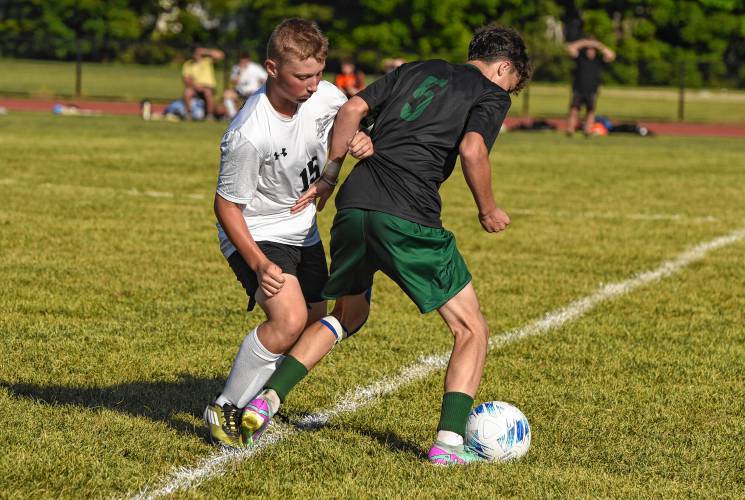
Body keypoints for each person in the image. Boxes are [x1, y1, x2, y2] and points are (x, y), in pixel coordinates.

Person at [241, 24, 532, 465]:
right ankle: (449, 445)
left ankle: (265, 401)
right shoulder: (492, 93)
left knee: (349, 314)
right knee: (471, 329)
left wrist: (330, 176)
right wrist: (487, 209)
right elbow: (473, 149)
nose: (509, 92)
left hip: (354, 207)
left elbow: (352, 108)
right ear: (504, 68)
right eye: (513, 83)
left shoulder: (418, 68)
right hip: (407, 216)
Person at [202, 19, 374, 449]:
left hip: (302, 228)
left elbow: (349, 117)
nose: (313, 85)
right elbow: (226, 206)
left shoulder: (326, 94)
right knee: (289, 319)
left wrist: (360, 142)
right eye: (302, 76)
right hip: (257, 230)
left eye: (318, 73)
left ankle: (263, 399)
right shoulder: (249, 132)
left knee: (311, 324)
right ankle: (225, 406)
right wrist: (259, 264)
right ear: (272, 68)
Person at [565, 38, 615, 137]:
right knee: (574, 109)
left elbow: (611, 55)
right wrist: (584, 43)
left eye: (592, 49)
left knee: (590, 111)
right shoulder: (580, 58)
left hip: (592, 90)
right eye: (589, 49)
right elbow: (569, 48)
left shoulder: (598, 61)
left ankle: (587, 131)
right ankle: (570, 130)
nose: (590, 51)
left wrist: (598, 45)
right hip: (578, 89)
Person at [182, 46, 225, 120]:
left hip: (208, 87)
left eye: (198, 53)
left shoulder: (207, 61)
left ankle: (209, 116)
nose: (196, 55)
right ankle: (188, 114)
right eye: (195, 53)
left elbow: (221, 55)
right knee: (187, 92)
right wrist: (195, 86)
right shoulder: (188, 64)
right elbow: (186, 79)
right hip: (194, 87)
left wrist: (206, 51)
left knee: (207, 92)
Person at [223, 53, 268, 118]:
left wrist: (261, 85)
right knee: (227, 94)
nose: (243, 62)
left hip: (253, 91)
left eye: (245, 60)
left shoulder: (255, 67)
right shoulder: (236, 68)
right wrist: (240, 71)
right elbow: (234, 82)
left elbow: (265, 78)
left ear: (248, 60)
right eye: (241, 61)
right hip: (240, 91)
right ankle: (233, 116)